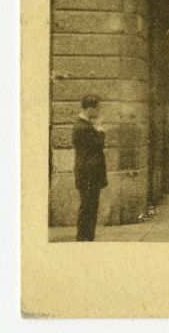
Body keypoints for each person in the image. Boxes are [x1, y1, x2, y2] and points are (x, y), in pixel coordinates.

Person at [72, 94, 108, 241]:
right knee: (88, 208)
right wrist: (100, 130)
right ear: (90, 109)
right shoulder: (82, 127)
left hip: (90, 173)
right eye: (97, 108)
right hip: (88, 174)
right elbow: (97, 145)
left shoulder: (84, 125)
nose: (99, 112)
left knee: (90, 208)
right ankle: (83, 239)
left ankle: (87, 238)